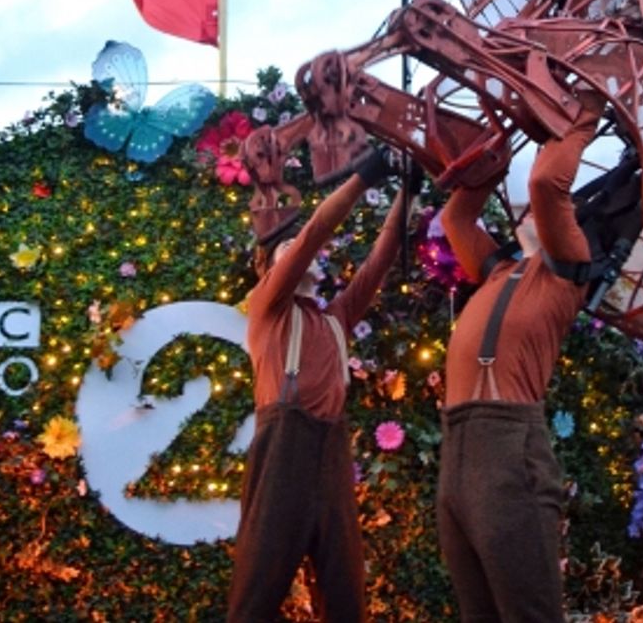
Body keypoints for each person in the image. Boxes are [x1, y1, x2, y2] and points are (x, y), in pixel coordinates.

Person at [226, 147, 417, 623]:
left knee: (345, 590)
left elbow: (380, 259)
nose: (299, 249)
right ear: (269, 267)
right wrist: (363, 177)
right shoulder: (269, 306)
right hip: (282, 452)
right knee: (257, 589)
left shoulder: (335, 319)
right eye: (286, 248)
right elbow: (314, 232)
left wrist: (408, 193)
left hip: (331, 450)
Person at [434, 104, 601, 623]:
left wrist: (582, 113)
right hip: (457, 448)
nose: (528, 212)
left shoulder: (567, 273)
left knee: (529, 613)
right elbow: (455, 217)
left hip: (510, 450)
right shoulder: (497, 270)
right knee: (478, 613)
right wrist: (495, 150)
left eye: (540, 214)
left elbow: (548, 184)